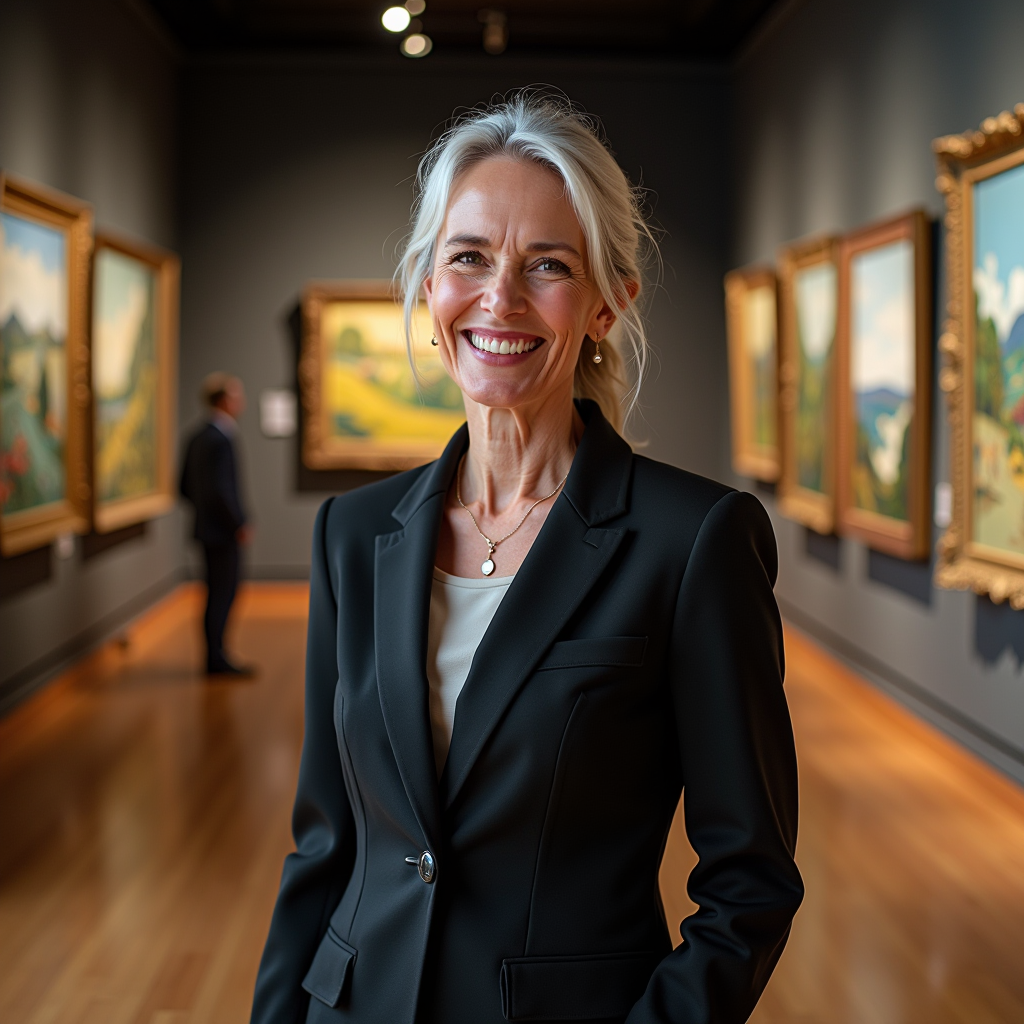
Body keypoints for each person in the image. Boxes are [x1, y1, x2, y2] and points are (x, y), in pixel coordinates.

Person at [251, 91, 802, 1024]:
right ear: (431, 286)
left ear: (606, 303)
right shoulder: (353, 533)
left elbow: (748, 885)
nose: (498, 297)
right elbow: (324, 846)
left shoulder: (693, 541)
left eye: (547, 265)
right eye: (469, 257)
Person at [180, 372, 254, 676]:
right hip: (223, 533)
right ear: (225, 400)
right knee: (223, 593)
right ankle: (217, 658)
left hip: (204, 530)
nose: (242, 402)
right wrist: (238, 522)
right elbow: (222, 490)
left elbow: (183, 486)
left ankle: (214, 654)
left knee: (213, 592)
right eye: (237, 396)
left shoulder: (196, 436)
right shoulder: (221, 438)